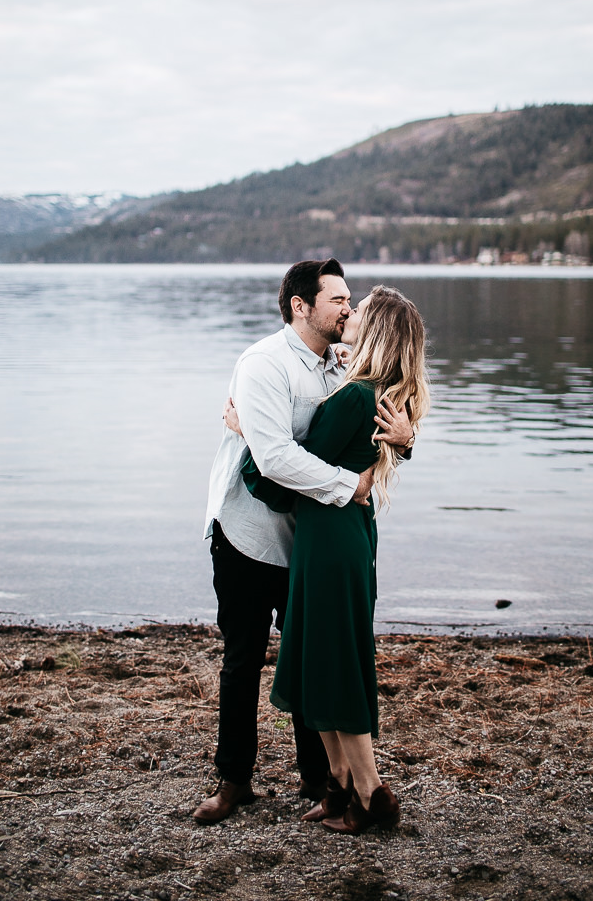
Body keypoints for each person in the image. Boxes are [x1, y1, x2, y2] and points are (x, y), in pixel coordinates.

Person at [193, 260, 414, 825]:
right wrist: (352, 484)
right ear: (302, 306)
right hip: (247, 535)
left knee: (313, 656)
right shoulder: (264, 364)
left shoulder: (341, 365)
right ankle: (234, 780)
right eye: (338, 299)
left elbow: (373, 414)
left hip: (308, 541)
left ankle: (324, 783)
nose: (347, 307)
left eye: (351, 302)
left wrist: (406, 440)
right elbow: (274, 461)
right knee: (243, 661)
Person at [253, 285, 429, 835]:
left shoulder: (357, 396)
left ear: (374, 330)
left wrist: (246, 440)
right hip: (335, 536)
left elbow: (289, 467)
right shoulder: (369, 389)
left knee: (336, 665)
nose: (348, 314)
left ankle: (372, 795)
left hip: (331, 542)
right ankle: (339, 786)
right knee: (320, 659)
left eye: (360, 312)